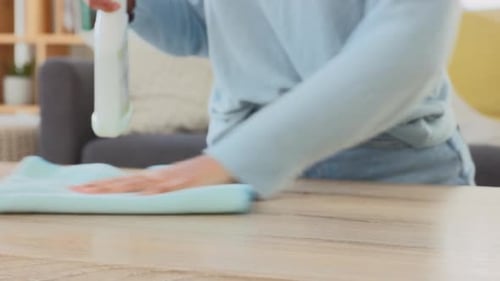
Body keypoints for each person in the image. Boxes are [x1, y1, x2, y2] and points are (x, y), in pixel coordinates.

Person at [74, 0, 475, 198]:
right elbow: (206, 29)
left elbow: (406, 52)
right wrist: (137, 5)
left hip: (391, 175)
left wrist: (230, 162)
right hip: (240, 186)